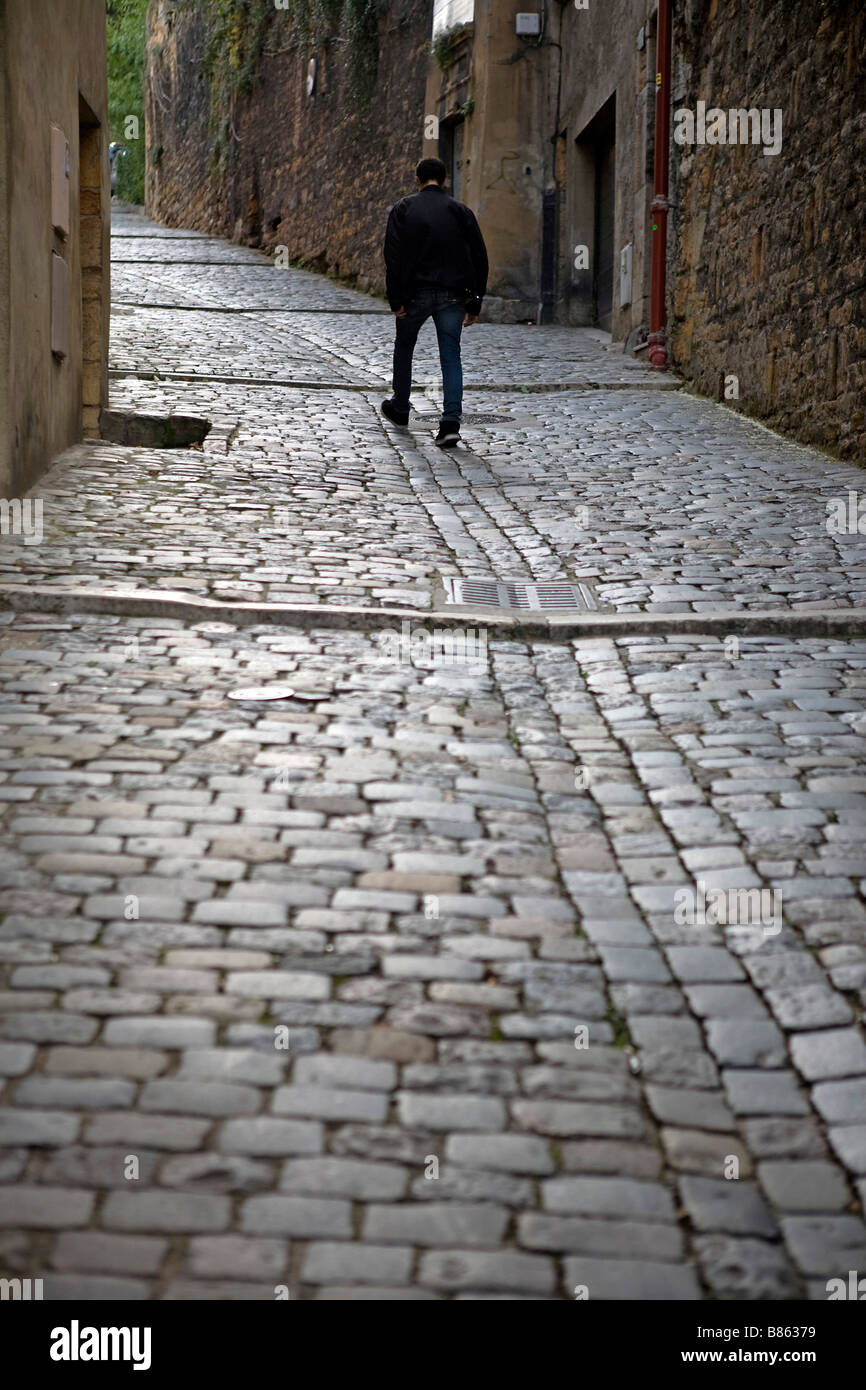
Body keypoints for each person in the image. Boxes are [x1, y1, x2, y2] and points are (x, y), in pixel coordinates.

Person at [382, 156, 488, 448]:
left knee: (404, 348)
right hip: (453, 294)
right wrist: (475, 300)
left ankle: (401, 407)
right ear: (444, 180)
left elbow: (392, 256)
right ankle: (450, 422)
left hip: (414, 294)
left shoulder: (403, 209)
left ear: (417, 179)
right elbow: (479, 256)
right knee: (450, 355)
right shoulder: (461, 211)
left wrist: (396, 299)